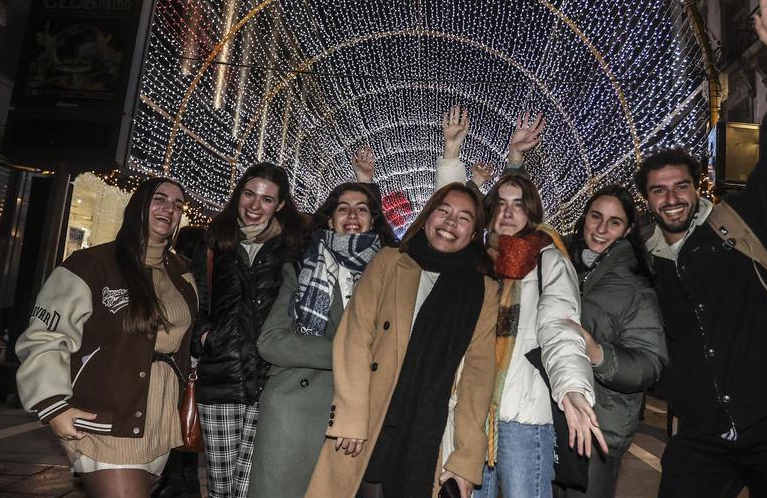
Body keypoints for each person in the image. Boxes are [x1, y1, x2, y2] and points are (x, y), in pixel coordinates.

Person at [640, 0, 767, 497]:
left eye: (681, 185)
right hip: (702, 433)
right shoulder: (644, 263)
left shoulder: (739, 222)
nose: (672, 198)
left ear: (698, 187)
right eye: (659, 192)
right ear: (648, 203)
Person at [436, 108, 606, 498]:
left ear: (531, 212)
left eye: (519, 205)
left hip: (524, 420)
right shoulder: (478, 261)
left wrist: (572, 389)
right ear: (491, 212)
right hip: (470, 416)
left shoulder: (546, 258)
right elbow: (445, 220)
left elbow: (559, 326)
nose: (509, 212)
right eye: (502, 204)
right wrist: (451, 154)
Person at [306, 182, 500, 498]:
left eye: (464, 218)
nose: (451, 222)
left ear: (474, 233)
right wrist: (351, 416)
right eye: (444, 211)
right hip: (372, 417)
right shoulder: (389, 261)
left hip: (427, 429)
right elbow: (356, 335)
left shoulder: (483, 291)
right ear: (427, 216)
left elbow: (477, 379)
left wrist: (465, 458)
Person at [16, 177, 198, 497]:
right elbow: (45, 337)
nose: (169, 209)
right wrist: (53, 406)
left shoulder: (182, 272)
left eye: (178, 204)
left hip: (160, 421)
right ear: (138, 206)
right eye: (159, 199)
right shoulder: (91, 265)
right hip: (107, 417)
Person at [251, 149, 398, 497]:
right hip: (294, 412)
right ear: (329, 219)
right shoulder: (300, 268)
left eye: (362, 209)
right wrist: (350, 354)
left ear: (374, 220)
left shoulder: (392, 274)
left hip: (359, 416)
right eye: (342, 209)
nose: (351, 215)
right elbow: (271, 341)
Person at [194, 163, 307, 498]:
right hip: (221, 379)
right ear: (238, 194)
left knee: (250, 488)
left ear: (281, 205)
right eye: (249, 194)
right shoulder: (214, 242)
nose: (255, 205)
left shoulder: (295, 246)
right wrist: (206, 339)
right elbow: (197, 302)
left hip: (271, 382)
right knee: (221, 488)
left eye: (267, 199)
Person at [557, 185, 667, 498]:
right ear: (584, 218)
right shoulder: (560, 264)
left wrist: (598, 354)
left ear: (628, 229)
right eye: (596, 217)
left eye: (614, 222)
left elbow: (650, 363)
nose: (602, 229)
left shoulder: (636, 285)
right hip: (550, 420)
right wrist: (515, 165)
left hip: (597, 429)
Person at [154, 226, 207, 498]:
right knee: (187, 425)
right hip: (189, 363)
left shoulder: (174, 270)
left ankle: (173, 481)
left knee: (173, 424)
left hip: (173, 362)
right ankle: (185, 483)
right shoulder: (191, 272)